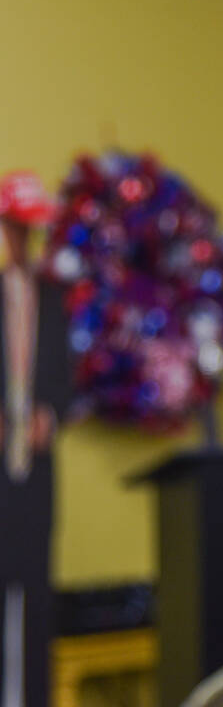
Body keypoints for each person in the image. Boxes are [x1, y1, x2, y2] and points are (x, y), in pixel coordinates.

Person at [0, 171, 70, 707]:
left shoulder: (55, 299)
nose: (25, 239)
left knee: (37, 594)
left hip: (38, 472)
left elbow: (65, 381)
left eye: (32, 229)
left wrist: (50, 413)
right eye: (16, 228)